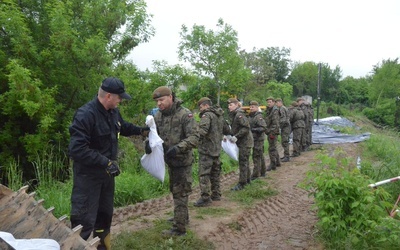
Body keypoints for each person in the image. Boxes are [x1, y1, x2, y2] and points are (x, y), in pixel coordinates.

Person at [68, 77, 149, 250]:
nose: (121, 101)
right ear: (109, 96)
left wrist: (142, 131)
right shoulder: (86, 114)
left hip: (107, 177)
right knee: (83, 221)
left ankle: (102, 247)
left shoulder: (113, 112)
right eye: (120, 97)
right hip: (88, 179)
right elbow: (77, 149)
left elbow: (123, 127)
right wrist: (105, 162)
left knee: (104, 217)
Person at [152, 86, 199, 236]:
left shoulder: (185, 114)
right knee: (175, 190)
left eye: (161, 100)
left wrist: (179, 148)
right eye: (157, 101)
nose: (159, 103)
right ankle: (182, 217)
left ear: (170, 97)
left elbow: (195, 137)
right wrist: (149, 143)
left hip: (182, 161)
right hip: (169, 161)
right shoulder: (159, 116)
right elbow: (154, 134)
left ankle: (179, 229)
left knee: (180, 192)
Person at [194, 97, 231, 207]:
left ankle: (205, 197)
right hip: (217, 149)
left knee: (204, 174)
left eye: (201, 107)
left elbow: (202, 131)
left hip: (206, 150)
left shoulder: (207, 115)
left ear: (206, 106)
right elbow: (227, 130)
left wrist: (193, 136)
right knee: (215, 173)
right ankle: (216, 194)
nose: (200, 109)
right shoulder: (220, 115)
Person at [227, 98, 254, 191]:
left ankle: (242, 183)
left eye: (231, 105)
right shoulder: (234, 115)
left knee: (243, 162)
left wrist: (236, 136)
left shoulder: (239, 115)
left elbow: (246, 128)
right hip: (243, 142)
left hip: (245, 142)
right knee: (245, 161)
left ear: (236, 105)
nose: (229, 107)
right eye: (229, 105)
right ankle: (247, 180)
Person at [248, 101, 267, 180]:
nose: (251, 108)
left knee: (256, 156)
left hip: (258, 139)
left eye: (253, 107)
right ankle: (263, 171)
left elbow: (263, 127)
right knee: (260, 155)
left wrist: (254, 130)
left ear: (256, 107)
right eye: (250, 107)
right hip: (254, 138)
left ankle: (256, 174)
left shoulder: (258, 116)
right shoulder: (251, 116)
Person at [265, 97, 281, 171]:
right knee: (273, 147)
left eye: (270, 102)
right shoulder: (269, 110)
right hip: (270, 130)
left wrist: (272, 132)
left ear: (274, 102)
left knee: (271, 148)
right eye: (268, 102)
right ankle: (277, 162)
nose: (268, 103)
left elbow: (275, 123)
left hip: (273, 132)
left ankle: (273, 164)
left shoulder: (274, 111)